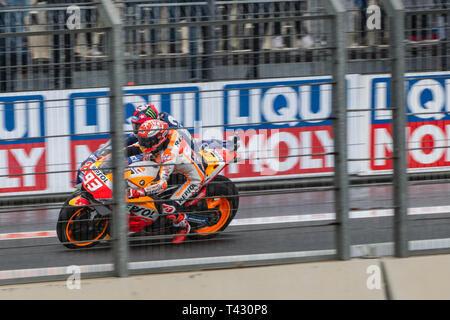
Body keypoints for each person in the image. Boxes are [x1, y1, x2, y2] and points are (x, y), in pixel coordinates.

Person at [126, 119, 205, 244]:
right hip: (178, 168)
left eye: (147, 141)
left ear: (159, 139)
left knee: (168, 207)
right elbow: (134, 148)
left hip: (193, 178)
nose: (143, 144)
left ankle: (184, 226)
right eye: (142, 140)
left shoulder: (169, 155)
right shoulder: (164, 136)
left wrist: (139, 192)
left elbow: (161, 184)